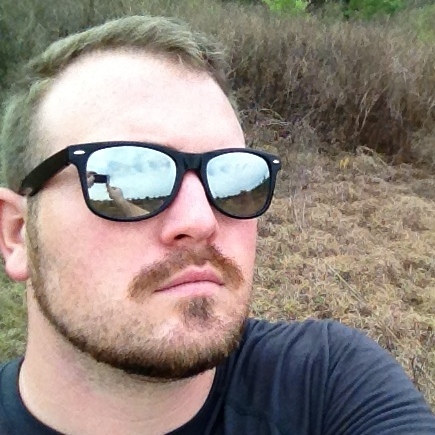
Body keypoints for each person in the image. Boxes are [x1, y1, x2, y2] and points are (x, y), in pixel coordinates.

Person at [0, 15, 433, 435]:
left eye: (229, 176)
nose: (201, 221)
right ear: (17, 233)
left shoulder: (327, 385)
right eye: (131, 177)